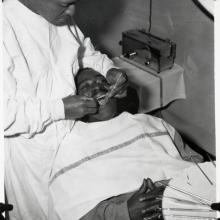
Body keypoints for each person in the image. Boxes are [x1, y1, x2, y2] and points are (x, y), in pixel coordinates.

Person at [3, 0, 128, 219]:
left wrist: (108, 70)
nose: (72, 11)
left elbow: (85, 54)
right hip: (33, 156)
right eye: (65, 3)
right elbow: (4, 114)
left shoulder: (59, 16)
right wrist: (59, 109)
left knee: (78, 207)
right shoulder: (5, 29)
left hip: (74, 138)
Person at [48, 68, 204, 220]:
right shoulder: (70, 149)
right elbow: (73, 212)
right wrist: (125, 212)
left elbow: (195, 163)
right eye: (85, 87)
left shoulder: (152, 123)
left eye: (101, 81)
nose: (97, 87)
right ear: (76, 102)